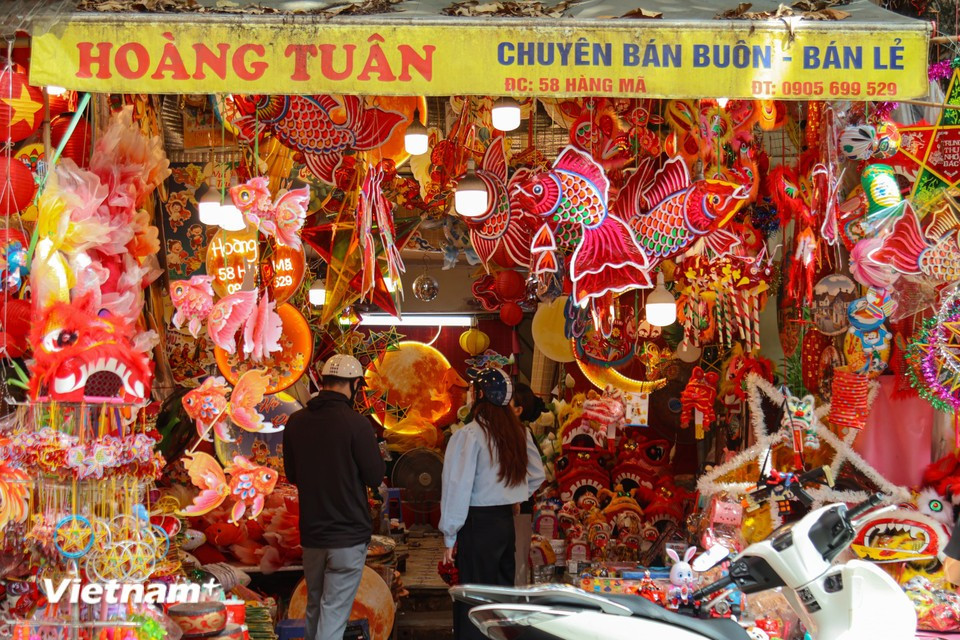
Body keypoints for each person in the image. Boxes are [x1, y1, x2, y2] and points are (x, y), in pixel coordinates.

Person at [283, 354, 385, 640]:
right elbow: (375, 476)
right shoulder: (356, 424)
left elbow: (291, 475)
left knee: (315, 605)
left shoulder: (296, 422)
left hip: (313, 534)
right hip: (348, 535)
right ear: (353, 385)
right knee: (334, 611)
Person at [440, 368, 546, 640]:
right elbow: (537, 475)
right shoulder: (518, 433)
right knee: (500, 599)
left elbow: (457, 487)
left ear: (479, 396)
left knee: (474, 601)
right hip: (504, 525)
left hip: (477, 527)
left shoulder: (470, 435)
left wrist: (450, 536)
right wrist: (514, 495)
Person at [510, 382, 546, 585]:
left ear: (518, 409)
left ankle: (516, 610)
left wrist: (518, 496)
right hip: (510, 507)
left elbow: (537, 474)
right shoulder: (510, 431)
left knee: (517, 564)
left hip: (518, 509)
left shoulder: (522, 434)